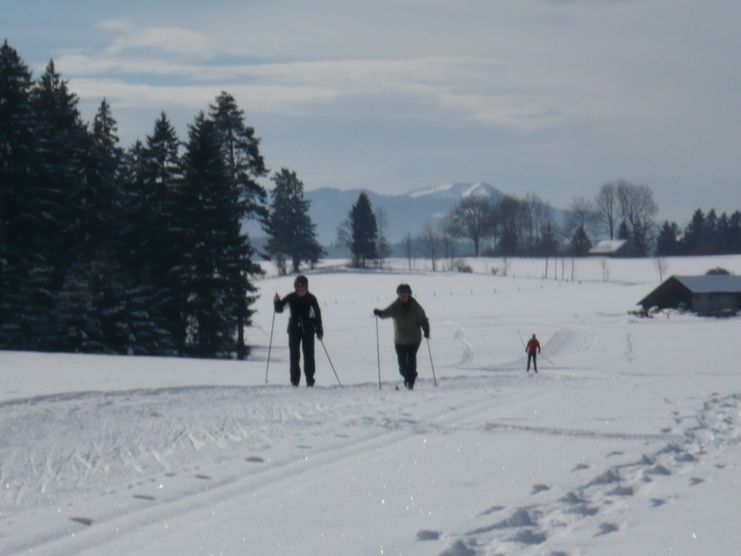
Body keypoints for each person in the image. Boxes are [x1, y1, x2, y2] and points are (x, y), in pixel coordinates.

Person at [373, 284, 430, 390]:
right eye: (401, 293)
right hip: (399, 340)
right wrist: (379, 313)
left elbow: (423, 319)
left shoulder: (416, 306)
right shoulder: (395, 306)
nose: (403, 295)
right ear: (398, 295)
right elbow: (386, 312)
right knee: (402, 365)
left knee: (411, 361)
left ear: (409, 294)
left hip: (414, 339)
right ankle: (410, 376)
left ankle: (410, 383)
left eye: (405, 293)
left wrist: (426, 329)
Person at [274, 275, 323, 387]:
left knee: (309, 355)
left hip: (308, 330)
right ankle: (294, 381)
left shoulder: (311, 298)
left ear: (306, 286)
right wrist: (276, 301)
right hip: (294, 330)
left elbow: (318, 315)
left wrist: (319, 330)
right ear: (295, 286)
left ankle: (310, 380)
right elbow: (279, 309)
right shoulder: (291, 297)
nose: (300, 288)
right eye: (298, 286)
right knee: (294, 356)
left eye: (302, 286)